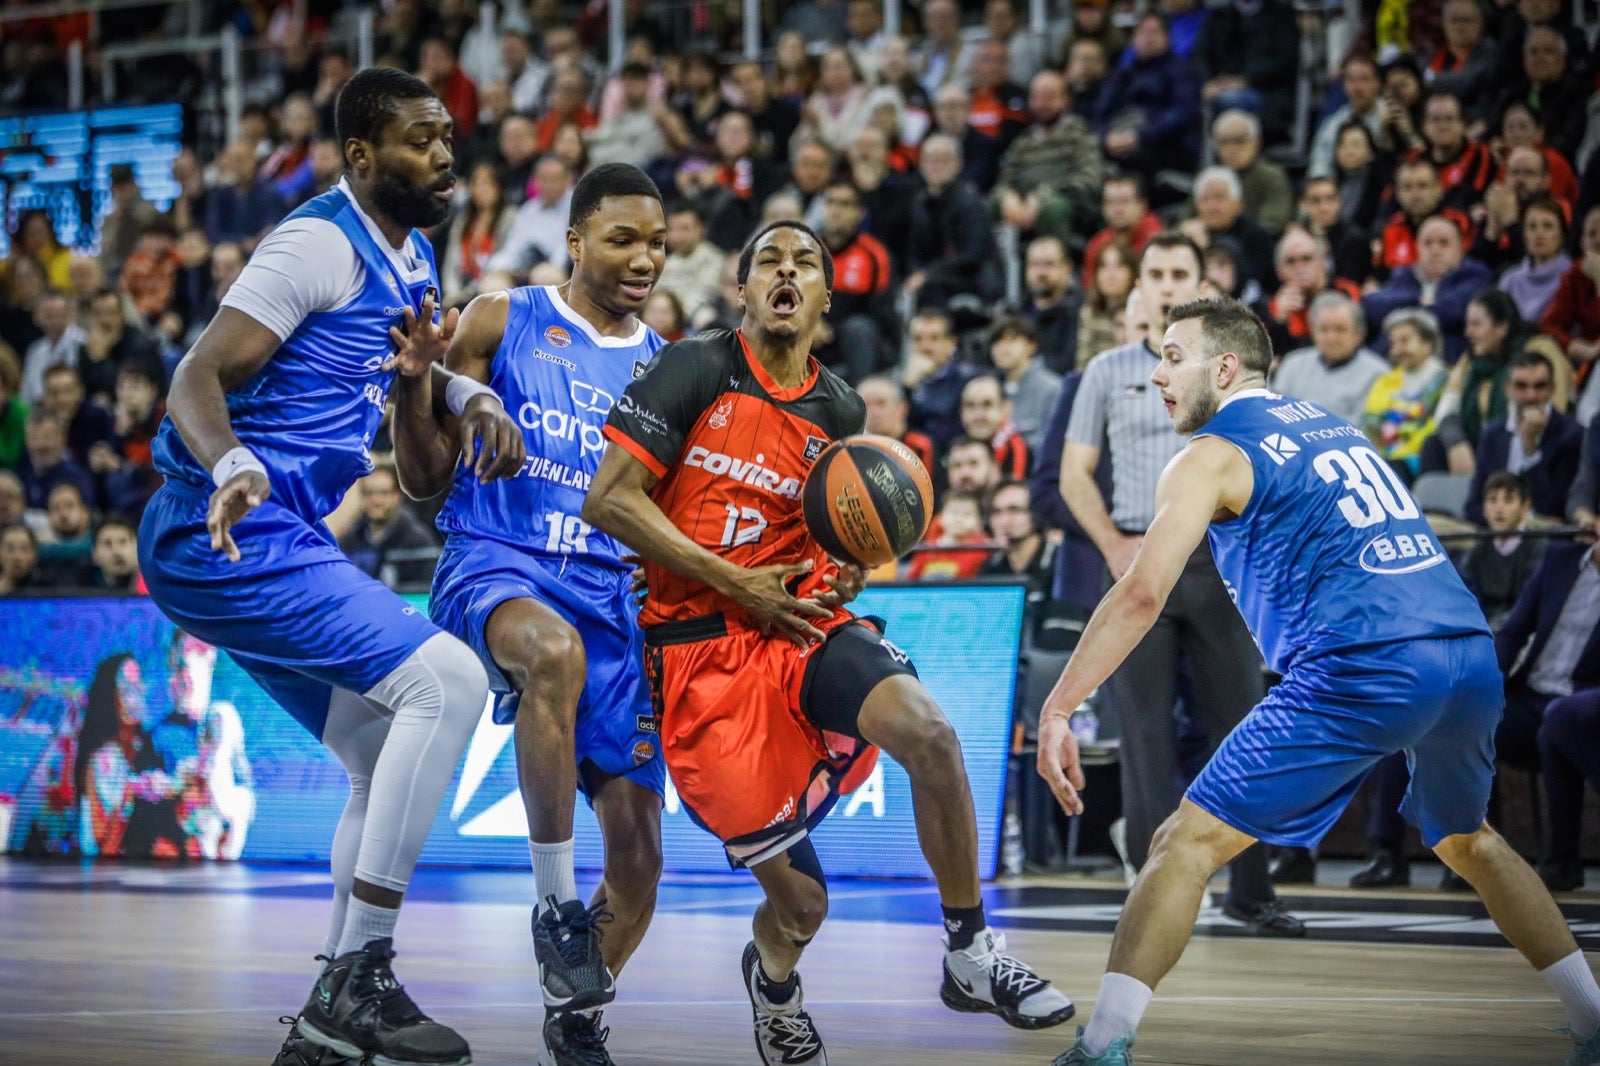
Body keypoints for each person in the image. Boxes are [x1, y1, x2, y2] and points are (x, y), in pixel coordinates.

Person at [1041, 296, 1600, 1066]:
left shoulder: (1208, 453)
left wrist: (1060, 705)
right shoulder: (1333, 427)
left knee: (1183, 844)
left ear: (1225, 367)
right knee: (1470, 841)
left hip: (1365, 664)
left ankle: (1101, 1045)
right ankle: (1593, 1019)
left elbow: (1141, 592)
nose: (1157, 373)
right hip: (1467, 655)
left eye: (1173, 356)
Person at [583, 220, 1074, 1066]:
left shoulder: (841, 408)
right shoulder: (695, 369)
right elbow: (611, 501)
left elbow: (833, 541)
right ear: (743, 289)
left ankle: (969, 953)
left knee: (932, 734)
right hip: (699, 655)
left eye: (803, 261)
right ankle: (773, 983)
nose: (786, 271)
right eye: (768, 260)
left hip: (800, 626)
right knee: (803, 907)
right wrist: (735, 581)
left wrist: (848, 572)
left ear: (824, 294)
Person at [136, 68, 525, 1066]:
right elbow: (197, 371)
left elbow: (379, 362)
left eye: (449, 136)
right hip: (220, 523)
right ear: (362, 156)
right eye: (420, 140)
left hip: (281, 535)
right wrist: (229, 462)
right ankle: (359, 976)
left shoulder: (416, 255)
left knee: (381, 741)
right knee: (446, 680)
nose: (446, 154)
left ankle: (327, 1018)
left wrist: (459, 393)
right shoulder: (316, 240)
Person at [393, 162, 670, 1066]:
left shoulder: (666, 369)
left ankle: (576, 1014)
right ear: (578, 238)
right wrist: (425, 393)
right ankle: (554, 906)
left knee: (639, 861)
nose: (645, 259)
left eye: (659, 244)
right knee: (549, 653)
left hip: (615, 601)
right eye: (625, 239)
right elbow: (423, 482)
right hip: (499, 563)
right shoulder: (500, 317)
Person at [1059, 233, 1300, 937]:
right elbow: (1074, 473)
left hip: (1221, 559)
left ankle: (1252, 891)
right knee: (1144, 736)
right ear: (1137, 286)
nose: (1166, 284)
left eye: (1179, 274)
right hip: (1140, 555)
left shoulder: (1229, 374)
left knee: (1242, 723)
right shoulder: (1104, 371)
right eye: (1155, 273)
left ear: (1203, 285)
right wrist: (1111, 544)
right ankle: (1149, 888)